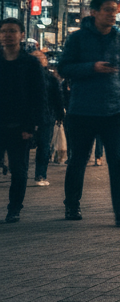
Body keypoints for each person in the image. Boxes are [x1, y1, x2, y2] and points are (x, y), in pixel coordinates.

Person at [58, 0, 120, 226]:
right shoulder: (77, 39)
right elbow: (64, 68)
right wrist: (91, 67)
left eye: (115, 10)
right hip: (82, 109)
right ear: (94, 12)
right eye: (107, 10)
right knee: (78, 159)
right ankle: (72, 204)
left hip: (113, 110)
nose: (113, 14)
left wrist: (118, 89)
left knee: (117, 161)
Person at [0, 19, 46, 222]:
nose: (7, 35)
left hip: (20, 126)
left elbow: (38, 96)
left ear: (21, 35)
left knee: (19, 170)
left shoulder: (30, 63)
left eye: (12, 31)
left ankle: (14, 208)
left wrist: (31, 126)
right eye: (3, 31)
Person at [34, 50, 65, 187]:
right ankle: (40, 174)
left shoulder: (47, 78)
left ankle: (36, 173)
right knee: (44, 146)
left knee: (41, 146)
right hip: (46, 116)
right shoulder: (51, 78)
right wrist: (60, 114)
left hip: (41, 116)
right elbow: (58, 98)